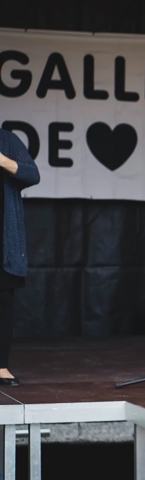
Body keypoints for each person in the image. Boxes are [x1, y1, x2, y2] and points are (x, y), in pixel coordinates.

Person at [0, 130, 40, 387]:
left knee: (3, 300)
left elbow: (32, 174)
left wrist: (3, 160)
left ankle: (0, 366)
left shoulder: (6, 140)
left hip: (3, 238)